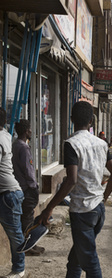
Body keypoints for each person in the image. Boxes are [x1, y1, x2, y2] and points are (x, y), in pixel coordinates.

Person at [37, 101, 112, 278]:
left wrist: (49, 208)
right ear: (91, 121)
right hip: (98, 209)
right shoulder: (102, 144)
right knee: (76, 257)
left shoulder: (71, 144)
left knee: (90, 261)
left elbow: (71, 180)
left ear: (71, 119)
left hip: (83, 210)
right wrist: (104, 198)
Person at [12, 119, 45, 256]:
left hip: (19, 186)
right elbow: (28, 170)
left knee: (25, 217)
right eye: (30, 129)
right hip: (27, 187)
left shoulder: (15, 145)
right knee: (27, 217)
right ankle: (28, 245)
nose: (31, 131)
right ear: (26, 131)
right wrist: (34, 186)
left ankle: (30, 244)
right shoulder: (23, 147)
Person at [0, 108, 26, 277]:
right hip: (8, 193)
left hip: (8, 194)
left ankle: (19, 268)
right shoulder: (6, 135)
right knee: (14, 233)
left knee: (15, 234)